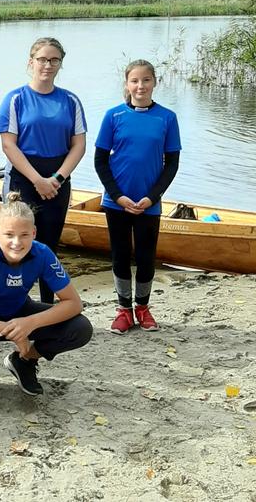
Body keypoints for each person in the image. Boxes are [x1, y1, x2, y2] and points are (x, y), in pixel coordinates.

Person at [0, 192, 92, 403]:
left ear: (34, 233)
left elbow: (74, 303)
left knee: (80, 328)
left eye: (24, 235)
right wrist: (17, 333)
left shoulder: (43, 254)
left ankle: (25, 360)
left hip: (20, 311)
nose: (17, 242)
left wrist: (30, 322)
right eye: (9, 235)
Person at [0, 37, 86, 304]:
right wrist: (38, 181)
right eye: (42, 59)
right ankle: (9, 303)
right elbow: (8, 145)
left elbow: (78, 146)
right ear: (31, 62)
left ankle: (48, 306)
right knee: (14, 245)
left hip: (58, 179)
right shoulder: (15, 99)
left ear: (60, 64)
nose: (48, 65)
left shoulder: (70, 100)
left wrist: (57, 178)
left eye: (54, 60)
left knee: (48, 247)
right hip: (23, 180)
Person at [94, 59, 181, 334]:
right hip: (116, 202)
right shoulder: (113, 116)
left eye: (146, 80)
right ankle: (123, 309)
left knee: (145, 257)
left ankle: (142, 308)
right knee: (120, 255)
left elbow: (172, 164)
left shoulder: (167, 118)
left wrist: (153, 197)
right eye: (135, 80)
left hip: (148, 204)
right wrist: (117, 196)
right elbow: (100, 161)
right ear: (127, 84)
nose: (140, 86)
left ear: (155, 82)